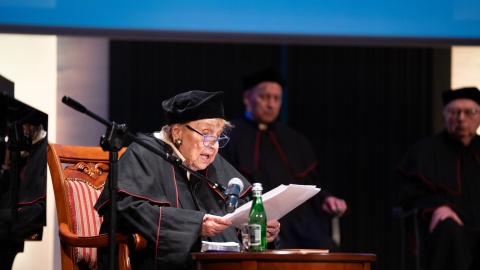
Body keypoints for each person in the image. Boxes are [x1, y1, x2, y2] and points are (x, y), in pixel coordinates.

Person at [94, 90, 281, 270]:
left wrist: (259, 229)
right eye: (206, 134)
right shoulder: (143, 154)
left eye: (218, 137)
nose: (213, 145)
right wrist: (195, 224)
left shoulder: (211, 162)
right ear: (177, 132)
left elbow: (242, 209)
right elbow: (127, 210)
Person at [219, 66, 347, 251]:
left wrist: (327, 199)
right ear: (247, 98)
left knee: (327, 249)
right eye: (265, 97)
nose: (271, 104)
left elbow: (311, 182)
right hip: (256, 220)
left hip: (300, 223)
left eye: (276, 98)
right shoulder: (229, 137)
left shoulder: (295, 140)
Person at [397, 87, 480, 270]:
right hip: (448, 229)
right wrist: (440, 207)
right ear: (444, 117)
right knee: (449, 228)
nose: (461, 118)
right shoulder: (425, 151)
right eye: (454, 112)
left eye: (470, 112)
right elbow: (410, 193)